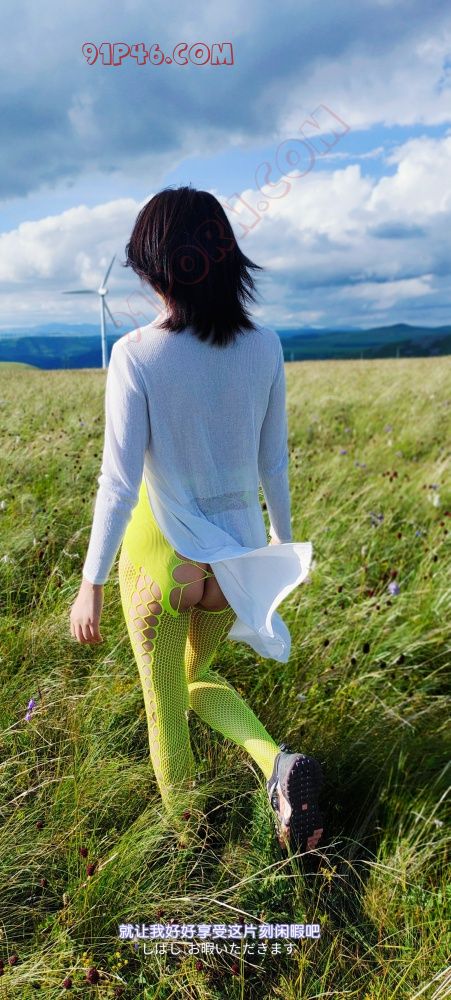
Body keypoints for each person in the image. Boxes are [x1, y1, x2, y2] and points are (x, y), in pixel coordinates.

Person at [69, 184, 323, 855]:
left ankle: (192, 852)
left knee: (165, 707)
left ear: (159, 267)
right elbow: (274, 462)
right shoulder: (265, 346)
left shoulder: (135, 354)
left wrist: (92, 581)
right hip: (233, 561)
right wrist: (280, 543)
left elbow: (119, 482)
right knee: (193, 679)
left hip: (161, 558)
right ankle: (275, 764)